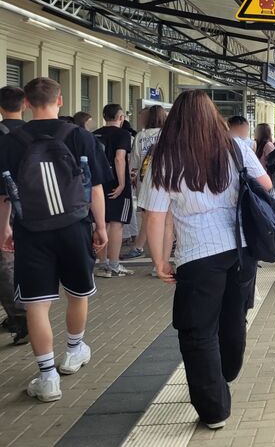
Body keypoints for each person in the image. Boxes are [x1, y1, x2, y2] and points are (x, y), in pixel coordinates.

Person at [144, 90, 271, 429]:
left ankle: (214, 410)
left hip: (197, 255)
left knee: (197, 330)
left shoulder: (165, 157)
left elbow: (155, 216)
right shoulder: (236, 147)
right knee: (233, 316)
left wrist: (159, 261)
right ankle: (225, 373)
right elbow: (266, 183)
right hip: (241, 248)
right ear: (214, 115)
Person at [0, 77, 110, 403]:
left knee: (36, 304)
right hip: (75, 225)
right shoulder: (80, 136)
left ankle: (48, 378)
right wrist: (101, 226)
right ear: (60, 100)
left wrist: (5, 228)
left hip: (31, 230)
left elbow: (5, 194)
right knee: (78, 292)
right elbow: (95, 188)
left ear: (27, 103)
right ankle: (74, 351)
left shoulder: (9, 142)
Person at [93, 104, 135, 278]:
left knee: (101, 222)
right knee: (117, 223)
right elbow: (119, 158)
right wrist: (122, 183)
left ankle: (102, 265)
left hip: (97, 182)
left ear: (104, 117)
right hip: (115, 182)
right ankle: (114, 265)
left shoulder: (94, 134)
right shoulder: (123, 134)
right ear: (120, 117)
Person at [122, 105, 168, 263]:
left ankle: (141, 248)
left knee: (148, 216)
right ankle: (157, 253)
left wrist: (131, 178)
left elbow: (134, 163)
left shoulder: (141, 136)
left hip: (145, 181)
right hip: (166, 180)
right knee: (165, 218)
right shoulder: (168, 134)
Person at [0, 86, 27, 345]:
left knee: (5, 263)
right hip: (33, 208)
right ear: (25, 105)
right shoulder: (34, 134)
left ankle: (21, 317)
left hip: (5, 207)